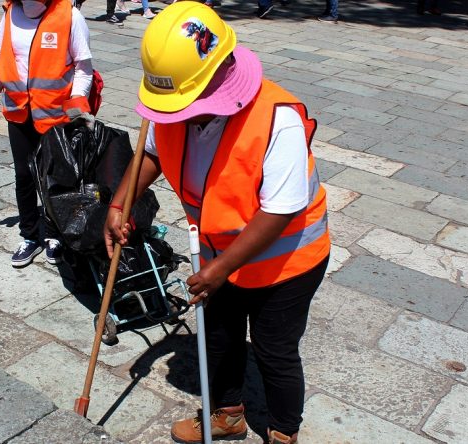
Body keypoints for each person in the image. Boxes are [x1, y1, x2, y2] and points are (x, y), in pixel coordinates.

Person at [104, 3, 330, 443]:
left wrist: (220, 270)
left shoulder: (276, 119)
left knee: (275, 352)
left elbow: (279, 209)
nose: (180, 116)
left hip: (285, 264)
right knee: (219, 338)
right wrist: (120, 204)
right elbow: (149, 153)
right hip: (216, 255)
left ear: (220, 76)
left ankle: (283, 434)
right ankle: (228, 416)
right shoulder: (170, 108)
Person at [0, 0, 95, 267]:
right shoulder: (11, 13)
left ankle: (56, 235)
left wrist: (79, 105)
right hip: (19, 111)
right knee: (24, 175)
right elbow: (2, 59)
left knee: (56, 176)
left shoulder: (70, 16)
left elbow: (83, 67)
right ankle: (30, 236)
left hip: (55, 114)